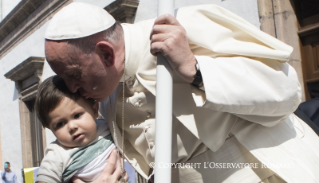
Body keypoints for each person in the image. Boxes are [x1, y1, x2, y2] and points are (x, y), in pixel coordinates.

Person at [44, 2, 319, 183]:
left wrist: (195, 69)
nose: (71, 89)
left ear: (106, 52)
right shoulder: (101, 96)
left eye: (73, 75)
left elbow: (286, 91)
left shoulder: (184, 27)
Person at [34, 75, 128, 183]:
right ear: (50, 128)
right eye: (60, 124)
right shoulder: (57, 153)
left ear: (94, 109)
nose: (72, 127)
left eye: (77, 115)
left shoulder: (108, 127)